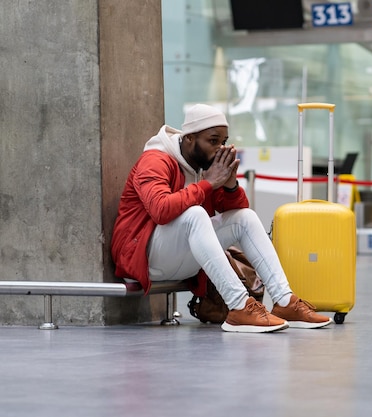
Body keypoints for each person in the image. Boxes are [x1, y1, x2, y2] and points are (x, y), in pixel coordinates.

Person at [111, 104, 332, 333]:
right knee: (195, 214)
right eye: (213, 141)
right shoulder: (155, 160)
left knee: (244, 217)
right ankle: (238, 306)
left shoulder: (204, 166)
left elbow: (236, 212)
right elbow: (161, 210)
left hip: (179, 259)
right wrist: (207, 184)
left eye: (223, 141)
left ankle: (284, 301)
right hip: (144, 258)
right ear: (189, 139)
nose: (219, 148)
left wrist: (229, 185)